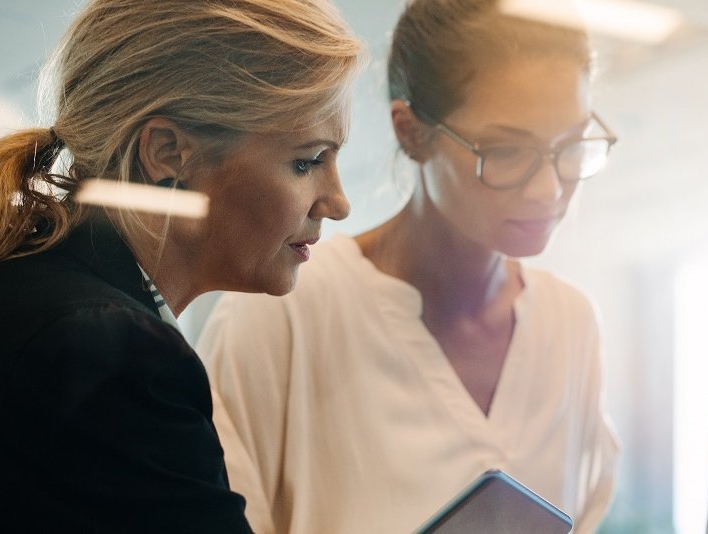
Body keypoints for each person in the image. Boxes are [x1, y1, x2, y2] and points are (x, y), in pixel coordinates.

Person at [0, 0, 360, 531]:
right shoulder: (111, 355)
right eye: (307, 161)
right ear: (166, 151)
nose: (337, 203)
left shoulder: (38, 301)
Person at [197, 1, 619, 532]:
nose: (549, 189)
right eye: (508, 150)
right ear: (411, 132)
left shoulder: (571, 324)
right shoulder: (283, 312)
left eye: (571, 145)